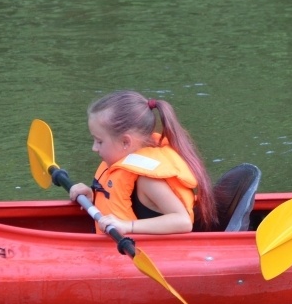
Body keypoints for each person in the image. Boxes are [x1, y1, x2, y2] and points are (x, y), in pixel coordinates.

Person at [69, 90, 217, 234]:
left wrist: (127, 226)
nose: (94, 148)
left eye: (99, 141)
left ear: (126, 142)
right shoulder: (125, 167)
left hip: (157, 250)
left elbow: (183, 222)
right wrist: (93, 197)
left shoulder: (148, 180)